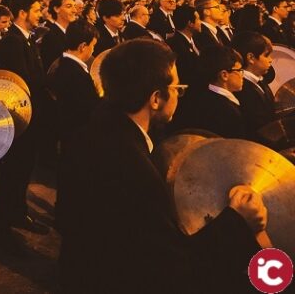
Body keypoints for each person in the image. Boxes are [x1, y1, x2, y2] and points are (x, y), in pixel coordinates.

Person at [57, 39, 267, 294]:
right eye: (177, 87)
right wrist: (238, 220)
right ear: (156, 98)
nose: (179, 94)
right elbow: (171, 266)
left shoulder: (90, 133)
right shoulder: (131, 165)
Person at [0, 0, 49, 253]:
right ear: (23, 13)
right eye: (37, 10)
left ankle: (18, 212)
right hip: (19, 119)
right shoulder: (13, 42)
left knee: (23, 169)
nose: (41, 14)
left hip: (31, 118)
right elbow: (21, 82)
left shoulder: (25, 39)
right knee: (14, 171)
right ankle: (3, 227)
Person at [44, 19, 99, 150]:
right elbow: (88, 110)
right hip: (77, 140)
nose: (92, 50)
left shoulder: (62, 64)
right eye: (93, 46)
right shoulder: (75, 73)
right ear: (83, 46)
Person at [170, 45, 246, 138]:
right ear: (224, 75)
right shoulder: (227, 111)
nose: (242, 75)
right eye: (239, 70)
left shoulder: (200, 97)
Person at [232, 31, 277, 139]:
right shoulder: (243, 88)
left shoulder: (260, 80)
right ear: (251, 58)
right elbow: (257, 128)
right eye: (266, 55)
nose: (271, 60)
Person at [167, 4, 204, 91]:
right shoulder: (175, 45)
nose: (200, 22)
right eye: (198, 19)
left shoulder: (197, 40)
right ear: (190, 23)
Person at [39, 0, 77, 71]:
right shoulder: (50, 37)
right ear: (56, 9)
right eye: (69, 6)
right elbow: (52, 68)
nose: (74, 10)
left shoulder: (74, 34)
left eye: (74, 6)